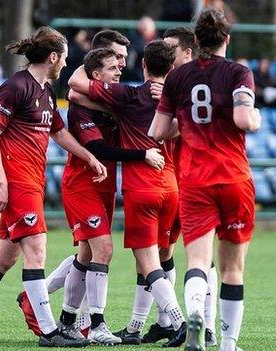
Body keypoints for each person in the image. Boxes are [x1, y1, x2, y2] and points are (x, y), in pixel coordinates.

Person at [0, 26, 106, 347]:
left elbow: (58, 133)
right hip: (18, 181)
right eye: (62, 57)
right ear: (52, 57)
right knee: (37, 249)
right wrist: (1, 183)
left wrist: (89, 156)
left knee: (5, 257)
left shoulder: (45, 90)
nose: (64, 63)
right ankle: (49, 331)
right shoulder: (15, 87)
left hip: (31, 180)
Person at [151, 7, 261, 351]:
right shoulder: (239, 73)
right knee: (232, 269)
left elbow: (158, 131)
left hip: (195, 180)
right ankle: (228, 343)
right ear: (226, 39)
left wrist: (185, 123)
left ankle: (195, 311)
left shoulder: (178, 78)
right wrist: (255, 117)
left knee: (197, 261)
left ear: (196, 40)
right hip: (233, 177)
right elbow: (243, 119)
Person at [69, 40, 188, 347]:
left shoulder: (129, 95)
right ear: (172, 69)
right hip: (172, 184)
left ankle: (178, 321)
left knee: (147, 263)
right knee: (162, 258)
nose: (122, 67)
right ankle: (137, 327)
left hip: (142, 187)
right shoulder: (180, 99)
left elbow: (74, 86)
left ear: (144, 64)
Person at [17, 29, 133, 337]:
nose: (122, 65)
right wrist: (141, 155)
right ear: (98, 62)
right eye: (116, 58)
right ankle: (94, 324)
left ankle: (51, 309)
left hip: (104, 182)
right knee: (102, 250)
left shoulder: (107, 93)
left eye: (123, 58)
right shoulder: (79, 97)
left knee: (87, 254)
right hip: (83, 182)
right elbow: (76, 91)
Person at [130, 26, 219, 347]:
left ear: (186, 53)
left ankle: (205, 326)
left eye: (170, 49)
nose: (165, 55)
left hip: (193, 181)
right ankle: (164, 322)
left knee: (200, 257)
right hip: (169, 180)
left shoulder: (194, 87)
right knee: (162, 253)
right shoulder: (170, 88)